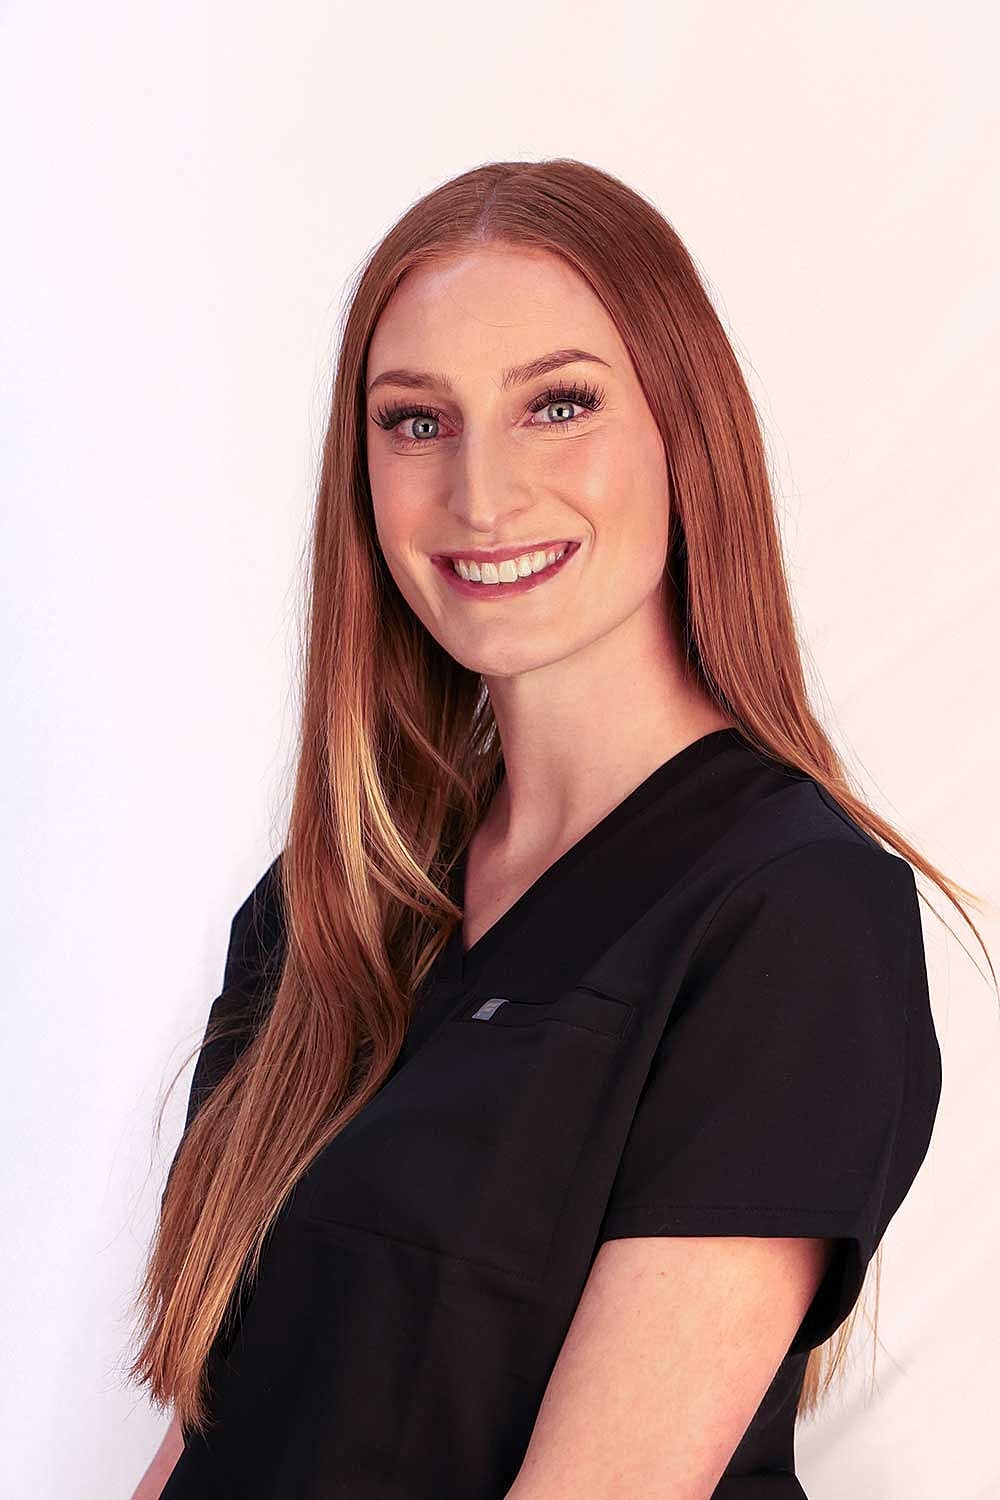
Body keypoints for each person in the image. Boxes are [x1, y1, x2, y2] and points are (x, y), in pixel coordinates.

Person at [127, 158, 981, 1500]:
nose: (481, 493)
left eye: (558, 405)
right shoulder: (330, 905)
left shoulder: (789, 915)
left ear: (682, 433)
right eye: (417, 422)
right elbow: (205, 1442)